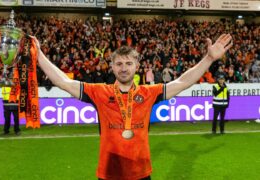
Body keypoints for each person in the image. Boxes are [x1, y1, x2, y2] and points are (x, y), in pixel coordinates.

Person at [35, 34, 232, 179]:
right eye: (119, 64)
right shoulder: (99, 92)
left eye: (128, 63)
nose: (123, 68)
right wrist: (40, 56)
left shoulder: (148, 93)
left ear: (136, 66)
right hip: (108, 173)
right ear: (112, 67)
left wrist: (209, 58)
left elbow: (182, 82)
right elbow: (63, 82)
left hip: (141, 173)